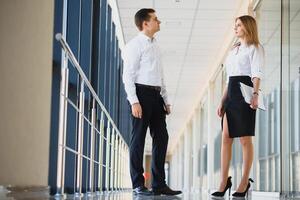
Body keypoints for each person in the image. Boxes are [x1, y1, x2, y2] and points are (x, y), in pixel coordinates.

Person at [122, 8, 182, 196]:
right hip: (140, 94)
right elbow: (128, 76)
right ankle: (138, 184)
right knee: (138, 139)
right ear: (145, 23)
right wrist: (134, 101)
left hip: (156, 96)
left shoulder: (155, 45)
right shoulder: (134, 45)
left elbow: (160, 75)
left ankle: (159, 184)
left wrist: (165, 99)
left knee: (162, 137)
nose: (159, 22)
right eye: (155, 19)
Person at [211, 15, 264, 198]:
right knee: (226, 138)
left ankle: (244, 182)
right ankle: (223, 182)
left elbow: (256, 74)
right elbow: (229, 78)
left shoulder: (255, 48)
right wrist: (222, 101)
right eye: (235, 25)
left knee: (244, 140)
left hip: (245, 92)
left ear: (247, 27)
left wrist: (255, 95)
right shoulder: (233, 50)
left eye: (239, 25)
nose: (235, 28)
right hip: (232, 93)